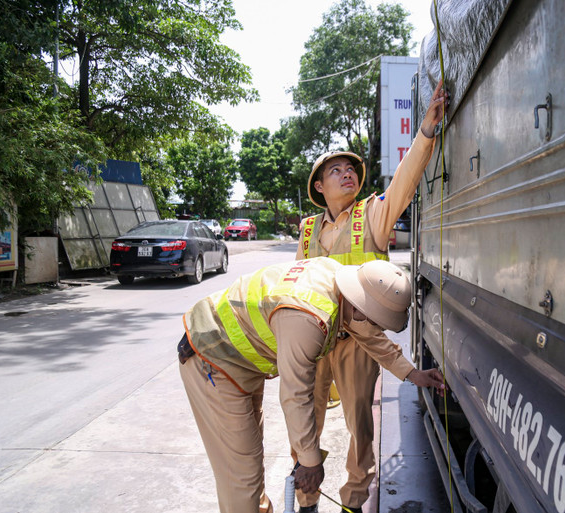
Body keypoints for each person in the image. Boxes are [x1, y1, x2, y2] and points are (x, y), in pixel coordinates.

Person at [178, 257, 445, 513]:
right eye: (376, 321)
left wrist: (411, 373)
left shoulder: (337, 282)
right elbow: (295, 396)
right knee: (241, 474)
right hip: (213, 360)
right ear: (358, 306)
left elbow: (365, 332)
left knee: (251, 459)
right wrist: (310, 461)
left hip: (242, 362)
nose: (377, 330)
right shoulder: (307, 319)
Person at [295, 81, 448, 513]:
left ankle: (353, 502)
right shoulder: (307, 229)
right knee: (304, 424)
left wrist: (426, 132)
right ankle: (306, 501)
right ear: (319, 186)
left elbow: (403, 183)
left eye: (351, 169)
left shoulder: (371, 215)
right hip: (312, 343)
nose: (347, 173)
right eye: (336, 170)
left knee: (360, 428)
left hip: (359, 343)